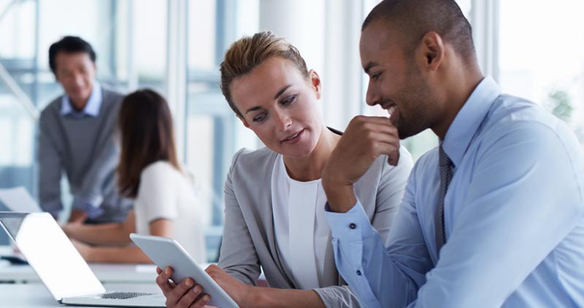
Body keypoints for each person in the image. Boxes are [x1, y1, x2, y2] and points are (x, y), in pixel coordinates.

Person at [321, 0, 584, 307]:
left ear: (430, 53)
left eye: (377, 74)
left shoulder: (527, 143)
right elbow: (394, 299)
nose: (371, 96)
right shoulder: (428, 172)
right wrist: (337, 187)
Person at [155, 31, 413, 307]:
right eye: (260, 116)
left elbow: (380, 294)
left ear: (315, 84)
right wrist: (205, 297)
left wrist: (256, 297)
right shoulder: (246, 173)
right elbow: (236, 276)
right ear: (246, 123)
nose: (283, 123)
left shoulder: (385, 165)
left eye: (288, 99)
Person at [63, 89, 207, 263]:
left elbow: (160, 252)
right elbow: (125, 230)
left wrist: (88, 254)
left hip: (168, 287)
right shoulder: (174, 172)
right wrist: (67, 230)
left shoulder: (156, 174)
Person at [39, 36, 131, 224]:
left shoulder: (122, 107)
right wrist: (48, 223)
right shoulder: (50, 115)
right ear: (56, 76)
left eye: (83, 70)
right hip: (84, 218)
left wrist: (72, 223)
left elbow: (106, 164)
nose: (77, 81)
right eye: (67, 73)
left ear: (94, 68)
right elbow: (49, 170)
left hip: (124, 215)